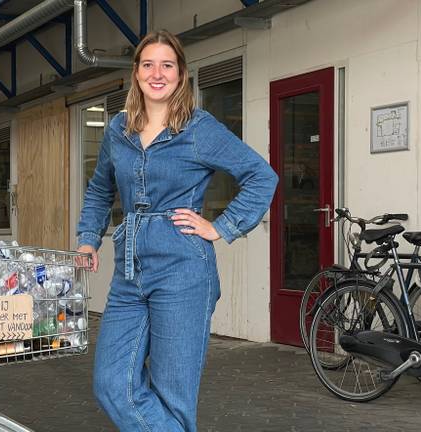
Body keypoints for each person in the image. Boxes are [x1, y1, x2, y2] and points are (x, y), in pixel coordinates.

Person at [76, 30, 278, 431]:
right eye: (148, 64)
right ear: (135, 73)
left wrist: (221, 227)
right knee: (112, 383)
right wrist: (87, 236)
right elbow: (100, 188)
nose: (157, 73)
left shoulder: (198, 128)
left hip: (183, 268)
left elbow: (261, 176)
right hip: (129, 271)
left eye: (167, 65)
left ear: (181, 74)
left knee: (173, 392)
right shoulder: (119, 130)